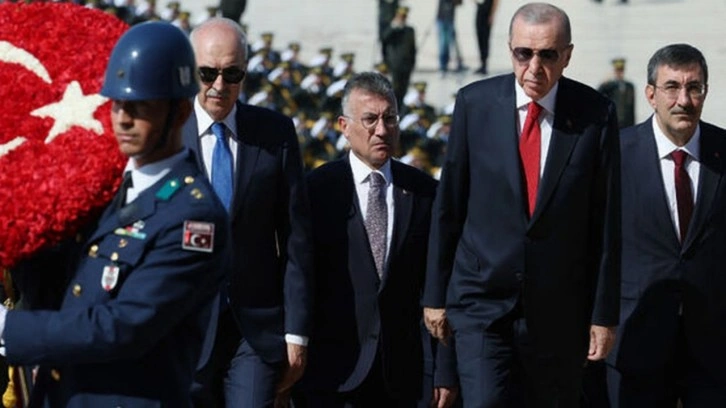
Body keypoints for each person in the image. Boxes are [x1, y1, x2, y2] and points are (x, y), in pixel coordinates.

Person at [0, 21, 230, 407]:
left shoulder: (194, 218)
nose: (123, 118)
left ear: (179, 113)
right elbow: (66, 287)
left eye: (140, 107)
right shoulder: (107, 192)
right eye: (118, 104)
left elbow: (122, 327)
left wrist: (8, 327)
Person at [422, 3, 621, 406]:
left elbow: (605, 222)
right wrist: (435, 296)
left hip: (558, 310)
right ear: (510, 49)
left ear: (567, 55)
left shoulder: (595, 115)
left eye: (547, 55)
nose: (534, 67)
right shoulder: (475, 104)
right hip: (481, 302)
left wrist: (603, 315)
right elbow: (450, 206)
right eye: (523, 53)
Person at [294, 72, 458, 408]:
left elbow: (439, 285)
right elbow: (298, 279)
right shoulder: (316, 191)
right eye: (370, 120)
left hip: (404, 376)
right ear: (344, 126)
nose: (382, 130)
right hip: (331, 374)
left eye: (390, 119)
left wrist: (444, 369)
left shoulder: (425, 193)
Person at [183, 17, 313, 408]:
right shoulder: (166, 132)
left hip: (253, 331)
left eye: (232, 74)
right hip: (182, 328)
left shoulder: (274, 134)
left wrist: (296, 333)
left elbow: (296, 239)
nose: (219, 85)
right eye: (208, 73)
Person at [606, 43, 726, 407]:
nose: (683, 100)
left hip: (713, 347)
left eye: (694, 88)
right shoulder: (614, 154)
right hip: (634, 339)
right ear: (650, 94)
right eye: (672, 87)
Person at [382, 6, 417, 108]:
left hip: (406, 66)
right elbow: (384, 39)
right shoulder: (392, 30)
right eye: (400, 17)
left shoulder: (409, 30)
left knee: (403, 90)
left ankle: (400, 110)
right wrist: (393, 27)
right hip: (394, 65)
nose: (402, 19)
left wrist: (412, 64)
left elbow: (413, 49)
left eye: (404, 17)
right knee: (395, 90)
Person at [598, 58, 636, 128]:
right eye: (617, 70)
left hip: (627, 123)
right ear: (614, 71)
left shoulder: (629, 86)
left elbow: (632, 107)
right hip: (613, 122)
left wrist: (633, 125)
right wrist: (604, 83)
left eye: (621, 70)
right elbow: (599, 95)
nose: (619, 73)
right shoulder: (609, 86)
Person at [436, 0, 464, 75]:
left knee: (452, 42)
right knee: (443, 43)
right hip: (442, 18)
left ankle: (458, 63)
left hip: (450, 19)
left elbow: (460, 3)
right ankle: (443, 66)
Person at [474, 0, 498, 75]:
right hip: (480, 9)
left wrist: (492, 14)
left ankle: (484, 64)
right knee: (479, 37)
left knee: (485, 39)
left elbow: (496, 1)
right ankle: (482, 63)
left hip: (487, 13)